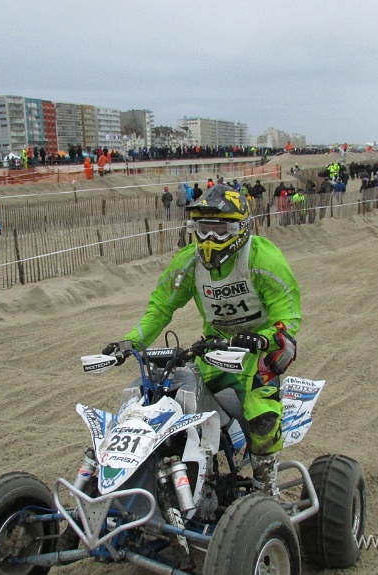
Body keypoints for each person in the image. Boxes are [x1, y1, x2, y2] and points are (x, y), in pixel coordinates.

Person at [101, 184, 301, 495]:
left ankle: (266, 488)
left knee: (262, 413)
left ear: (240, 228)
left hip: (258, 349)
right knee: (175, 403)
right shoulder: (188, 263)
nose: (210, 239)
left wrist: (264, 338)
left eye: (219, 230)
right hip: (214, 347)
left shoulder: (264, 260)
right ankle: (195, 475)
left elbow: (287, 316)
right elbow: (161, 306)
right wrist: (131, 342)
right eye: (203, 229)